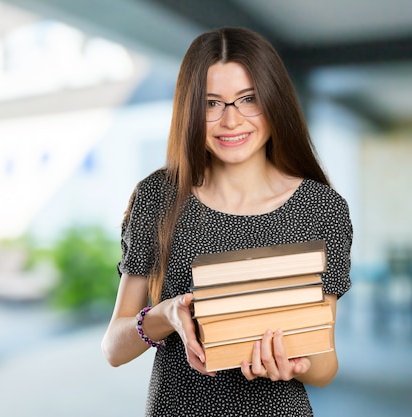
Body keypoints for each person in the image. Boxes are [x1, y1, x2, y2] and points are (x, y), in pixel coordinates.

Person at [101, 26, 352, 417]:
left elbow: (325, 367)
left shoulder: (322, 208)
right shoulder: (157, 198)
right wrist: (166, 315)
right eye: (211, 103)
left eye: (248, 99)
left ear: (274, 100)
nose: (231, 121)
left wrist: (293, 363)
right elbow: (114, 348)